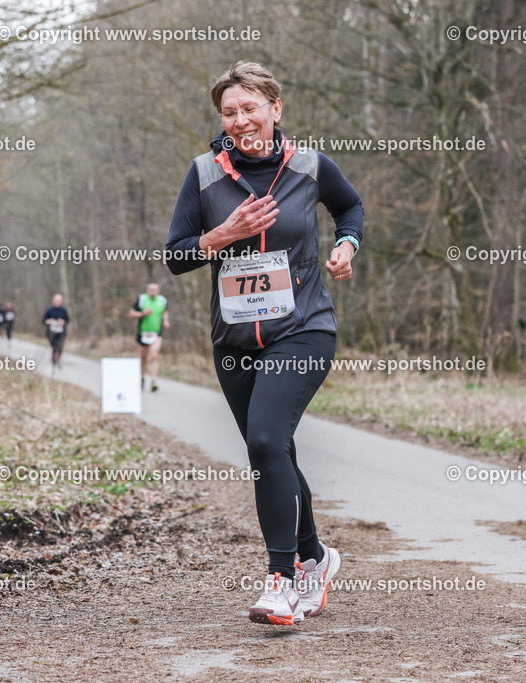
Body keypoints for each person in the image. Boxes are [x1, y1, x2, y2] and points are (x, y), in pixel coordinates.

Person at [165, 61, 363, 625]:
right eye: (229, 111)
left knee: (266, 437)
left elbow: (350, 206)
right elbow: (177, 255)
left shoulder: (309, 167)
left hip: (302, 328)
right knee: (271, 450)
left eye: (250, 107)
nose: (240, 119)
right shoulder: (204, 173)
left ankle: (281, 580)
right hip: (233, 341)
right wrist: (221, 236)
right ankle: (316, 559)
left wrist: (347, 245)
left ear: (276, 109)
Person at [129, 283, 170, 391]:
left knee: (154, 356)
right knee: (143, 359)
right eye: (151, 289)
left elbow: (165, 312)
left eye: (155, 289)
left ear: (158, 291)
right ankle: (142, 379)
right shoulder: (142, 299)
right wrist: (142, 314)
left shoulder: (162, 300)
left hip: (157, 333)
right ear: (148, 290)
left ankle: (153, 381)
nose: (153, 291)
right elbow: (132, 313)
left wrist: (166, 321)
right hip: (143, 333)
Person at [42, 294, 69, 371]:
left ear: (61, 302)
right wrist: (48, 321)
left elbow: (67, 320)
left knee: (60, 346)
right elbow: (43, 321)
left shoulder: (63, 310)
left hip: (61, 332)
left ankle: (58, 358)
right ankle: (54, 362)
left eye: (59, 301)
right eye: (56, 301)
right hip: (51, 332)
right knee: (54, 346)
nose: (57, 302)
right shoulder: (49, 310)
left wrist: (63, 321)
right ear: (53, 301)